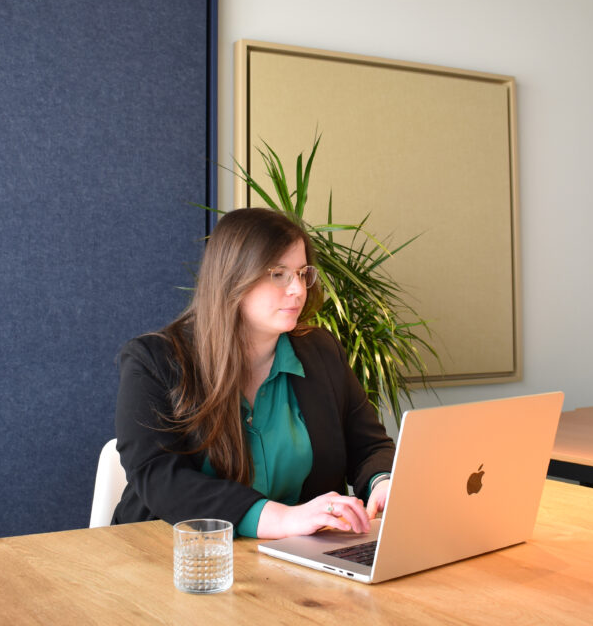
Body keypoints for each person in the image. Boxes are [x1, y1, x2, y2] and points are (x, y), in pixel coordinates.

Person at [112, 207, 394, 538]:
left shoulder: (321, 351)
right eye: (279, 274)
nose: (298, 290)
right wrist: (282, 519)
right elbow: (159, 477)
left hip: (293, 562)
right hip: (168, 557)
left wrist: (383, 482)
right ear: (233, 279)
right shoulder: (153, 361)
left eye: (302, 273)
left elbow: (369, 447)